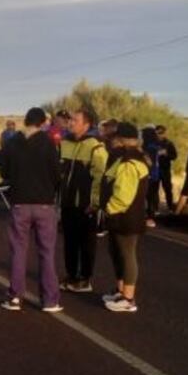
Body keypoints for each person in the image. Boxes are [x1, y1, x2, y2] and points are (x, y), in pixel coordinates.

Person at [0, 107, 62, 312]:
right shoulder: (48, 143)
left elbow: (4, 171)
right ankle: (50, 300)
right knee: (47, 252)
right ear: (42, 122)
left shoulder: (12, 143)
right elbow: (56, 174)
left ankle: (15, 296)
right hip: (44, 203)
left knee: (18, 250)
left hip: (19, 203)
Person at [100, 122, 150, 313]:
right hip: (120, 216)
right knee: (117, 252)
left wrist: (109, 209)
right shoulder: (124, 158)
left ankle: (128, 298)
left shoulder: (130, 162)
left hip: (126, 217)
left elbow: (124, 195)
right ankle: (120, 291)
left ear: (120, 140)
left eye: (113, 138)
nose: (111, 141)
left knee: (127, 254)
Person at [59, 108, 107, 293]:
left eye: (75, 120)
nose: (70, 122)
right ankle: (71, 275)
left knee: (86, 243)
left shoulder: (95, 147)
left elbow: (100, 177)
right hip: (67, 202)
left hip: (86, 205)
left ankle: (85, 279)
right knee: (69, 241)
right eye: (70, 119)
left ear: (86, 125)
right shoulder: (64, 143)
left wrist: (95, 203)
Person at [141, 126, 161, 227]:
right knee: (151, 197)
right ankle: (151, 217)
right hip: (155, 174)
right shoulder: (156, 145)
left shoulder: (148, 147)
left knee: (146, 197)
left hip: (148, 174)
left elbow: (149, 162)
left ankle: (148, 218)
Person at [155, 125, 178, 211]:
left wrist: (166, 154)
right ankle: (155, 207)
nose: (159, 135)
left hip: (165, 169)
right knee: (154, 189)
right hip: (155, 170)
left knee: (167, 188)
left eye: (161, 133)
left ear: (164, 133)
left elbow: (174, 156)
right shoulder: (152, 143)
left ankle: (170, 207)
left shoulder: (169, 143)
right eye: (157, 133)